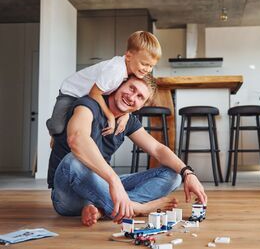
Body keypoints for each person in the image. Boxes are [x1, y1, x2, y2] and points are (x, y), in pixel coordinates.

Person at [48, 74, 207, 226]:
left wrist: (187, 172)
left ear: (142, 105)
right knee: (73, 160)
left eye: (140, 97)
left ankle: (103, 210)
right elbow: (77, 138)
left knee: (173, 175)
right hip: (69, 195)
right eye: (131, 88)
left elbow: (158, 149)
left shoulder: (128, 120)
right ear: (118, 85)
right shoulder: (88, 104)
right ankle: (136, 208)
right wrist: (113, 180)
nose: (132, 97)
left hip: (102, 186)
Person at [46, 30, 161, 139]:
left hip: (88, 95)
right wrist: (110, 115)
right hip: (72, 92)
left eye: (151, 66)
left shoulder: (130, 70)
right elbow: (94, 93)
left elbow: (122, 97)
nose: (148, 69)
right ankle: (51, 126)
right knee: (57, 128)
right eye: (144, 64)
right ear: (129, 56)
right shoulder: (116, 70)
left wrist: (126, 115)